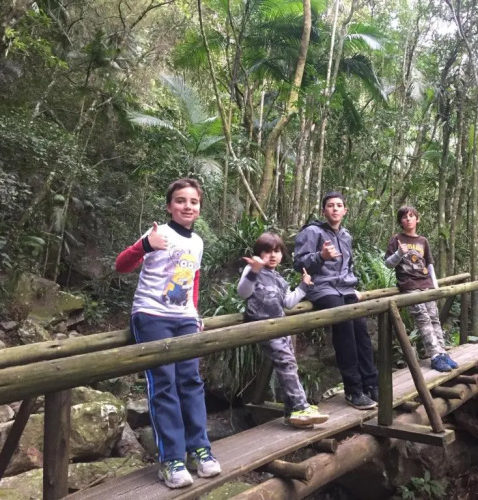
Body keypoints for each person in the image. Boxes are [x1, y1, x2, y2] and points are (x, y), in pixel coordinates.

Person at [115, 178, 220, 489]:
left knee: (191, 382)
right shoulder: (157, 233)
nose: (187, 206)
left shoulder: (197, 242)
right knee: (164, 384)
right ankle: (171, 459)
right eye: (180, 201)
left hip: (184, 317)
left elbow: (193, 280)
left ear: (199, 208)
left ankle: (199, 450)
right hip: (151, 315)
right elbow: (122, 265)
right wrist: (145, 245)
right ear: (169, 206)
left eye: (193, 202)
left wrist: (195, 313)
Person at [293, 191, 379, 410]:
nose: (335, 209)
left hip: (345, 288)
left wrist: (353, 287)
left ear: (345, 210)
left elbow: (348, 266)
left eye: (339, 205)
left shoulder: (346, 236)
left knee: (361, 328)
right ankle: (353, 390)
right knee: (345, 327)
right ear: (324, 211)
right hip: (322, 288)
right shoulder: (312, 232)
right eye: (330, 205)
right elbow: (298, 263)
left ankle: (371, 384)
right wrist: (320, 256)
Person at [237, 232, 330, 428]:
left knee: (289, 365)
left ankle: (291, 412)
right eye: (267, 251)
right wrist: (254, 271)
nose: (272, 255)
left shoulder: (279, 278)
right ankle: (301, 407)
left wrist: (303, 286)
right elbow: (243, 292)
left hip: (281, 326)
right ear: (258, 253)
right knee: (286, 363)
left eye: (277, 251)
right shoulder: (252, 270)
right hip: (263, 326)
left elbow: (288, 302)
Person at [384, 205, 458, 372]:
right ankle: (435, 356)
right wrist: (399, 253)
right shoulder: (397, 239)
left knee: (434, 318)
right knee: (423, 319)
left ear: (417, 219)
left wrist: (435, 286)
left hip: (426, 286)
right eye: (404, 217)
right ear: (401, 221)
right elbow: (388, 264)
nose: (408, 219)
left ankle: (442, 352)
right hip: (409, 286)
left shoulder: (423, 241)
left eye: (411, 216)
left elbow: (429, 264)